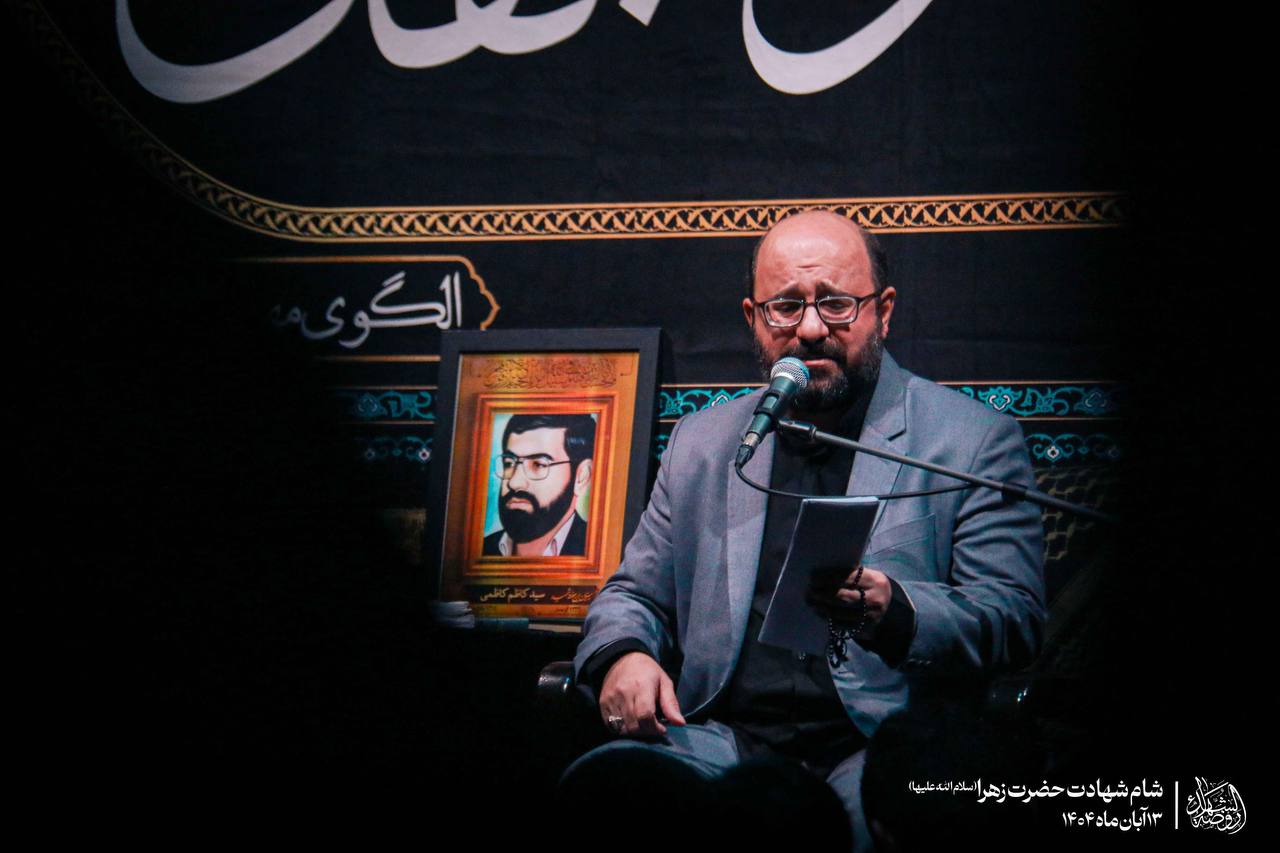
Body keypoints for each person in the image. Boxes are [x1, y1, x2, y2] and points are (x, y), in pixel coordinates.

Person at [565, 211, 1045, 848]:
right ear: (753, 319)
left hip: (879, 748)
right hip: (717, 740)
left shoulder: (969, 441)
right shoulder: (704, 443)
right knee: (607, 792)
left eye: (837, 304)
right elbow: (632, 594)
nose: (811, 329)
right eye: (786, 308)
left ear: (884, 311)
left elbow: (1013, 615)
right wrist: (624, 654)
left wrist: (899, 611)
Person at [482, 413, 595, 557]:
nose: (514, 482)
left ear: (582, 477)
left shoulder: (596, 553)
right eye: (509, 463)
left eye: (538, 464)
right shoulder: (482, 551)